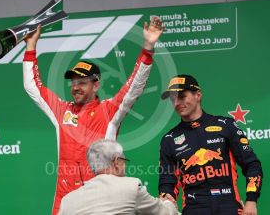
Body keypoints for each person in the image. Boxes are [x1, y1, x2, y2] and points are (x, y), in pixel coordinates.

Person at [23, 17, 164, 214]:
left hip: (102, 202)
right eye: (73, 83)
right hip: (66, 201)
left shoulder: (109, 110)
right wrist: (31, 47)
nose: (75, 88)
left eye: (82, 82)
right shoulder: (62, 110)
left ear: (96, 85)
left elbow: (134, 87)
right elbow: (32, 86)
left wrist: (148, 48)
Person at [158, 74, 263, 215]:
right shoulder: (169, 139)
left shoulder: (226, 125)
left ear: (198, 95)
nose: (177, 102)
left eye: (182, 96)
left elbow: (252, 165)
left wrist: (251, 200)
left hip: (229, 206)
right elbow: (167, 180)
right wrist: (166, 199)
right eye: (173, 98)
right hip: (194, 209)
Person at [59, 139, 179, 215]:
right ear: (116, 162)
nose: (125, 166)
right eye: (124, 161)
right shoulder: (130, 187)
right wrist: (168, 203)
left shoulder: (67, 202)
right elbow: (165, 213)